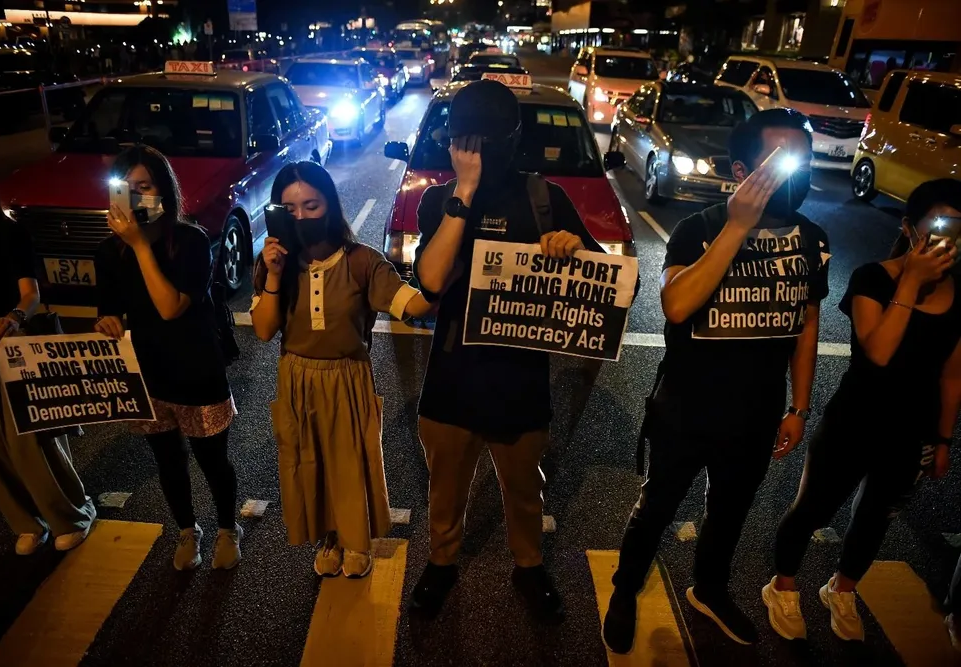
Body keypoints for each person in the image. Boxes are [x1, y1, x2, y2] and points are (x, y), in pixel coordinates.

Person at [603, 108, 831, 652]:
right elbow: (677, 305)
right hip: (687, 409)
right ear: (741, 170)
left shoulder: (811, 239)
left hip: (757, 413)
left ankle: (709, 588)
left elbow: (807, 324)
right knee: (657, 507)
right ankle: (625, 587)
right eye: (778, 162)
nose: (793, 174)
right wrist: (738, 226)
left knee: (729, 512)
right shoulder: (698, 229)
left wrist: (799, 408)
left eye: (801, 162)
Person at [407, 79, 604, 621]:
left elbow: (608, 288)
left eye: (487, 143)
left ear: (512, 139)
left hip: (520, 377)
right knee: (446, 487)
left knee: (523, 488)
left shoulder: (545, 199)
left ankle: (529, 564)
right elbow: (431, 280)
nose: (479, 154)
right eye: (466, 143)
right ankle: (441, 562)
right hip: (453, 377)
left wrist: (573, 250)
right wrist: (464, 193)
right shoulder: (438, 201)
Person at [763, 178, 961, 642]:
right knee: (812, 510)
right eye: (940, 224)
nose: (949, 238)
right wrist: (911, 281)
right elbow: (879, 352)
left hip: (911, 430)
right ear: (909, 228)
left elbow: (952, 375)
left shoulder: (959, 292)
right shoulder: (872, 278)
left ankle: (842, 588)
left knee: (876, 517)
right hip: (854, 421)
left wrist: (943, 438)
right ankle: (782, 586)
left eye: (959, 228)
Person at [250, 161, 432, 578]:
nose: (301, 217)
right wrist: (274, 274)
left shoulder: (362, 261)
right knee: (308, 463)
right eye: (289, 209)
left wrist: (442, 278)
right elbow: (263, 330)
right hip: (296, 379)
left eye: (311, 206)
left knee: (349, 465)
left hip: (347, 376)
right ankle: (328, 538)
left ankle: (356, 540)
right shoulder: (275, 263)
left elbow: (411, 304)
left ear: (330, 205)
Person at [94, 145, 241, 571]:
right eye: (126, 188)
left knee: (212, 460)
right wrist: (107, 321)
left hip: (196, 371)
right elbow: (109, 309)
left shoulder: (191, 241)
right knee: (168, 461)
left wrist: (140, 246)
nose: (136, 197)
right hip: (149, 374)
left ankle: (228, 528)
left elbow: (170, 307)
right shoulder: (108, 252)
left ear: (164, 190)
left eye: (145, 186)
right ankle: (186, 531)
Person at [0, 142, 95, 554]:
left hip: (9, 339)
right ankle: (25, 522)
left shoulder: (8, 232)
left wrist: (16, 317)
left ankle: (70, 513)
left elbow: (30, 293)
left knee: (31, 435)